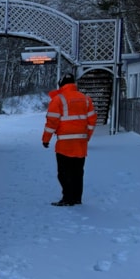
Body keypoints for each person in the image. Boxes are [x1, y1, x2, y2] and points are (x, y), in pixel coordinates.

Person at [42, 73, 97, 206]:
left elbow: (52, 122)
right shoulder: (86, 99)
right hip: (80, 143)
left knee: (64, 173)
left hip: (64, 144)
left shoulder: (58, 100)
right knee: (78, 172)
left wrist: (46, 139)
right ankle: (77, 198)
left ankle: (67, 198)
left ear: (61, 84)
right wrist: (86, 136)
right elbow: (92, 121)